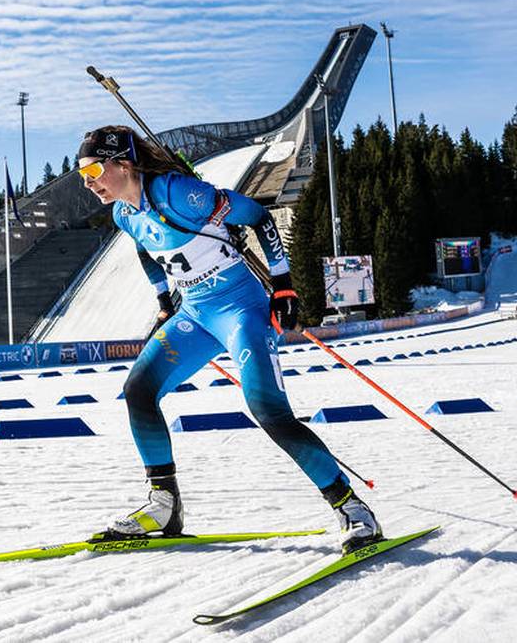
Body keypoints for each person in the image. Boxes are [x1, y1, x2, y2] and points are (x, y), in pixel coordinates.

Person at [75, 125, 381, 553]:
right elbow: (146, 250)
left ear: (122, 164)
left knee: (268, 410)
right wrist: (164, 299)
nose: (88, 181)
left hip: (241, 309)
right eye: (81, 173)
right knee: (138, 392)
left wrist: (284, 286)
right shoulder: (123, 213)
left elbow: (258, 215)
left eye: (93, 169)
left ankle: (351, 508)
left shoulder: (178, 193)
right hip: (196, 313)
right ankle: (164, 505)